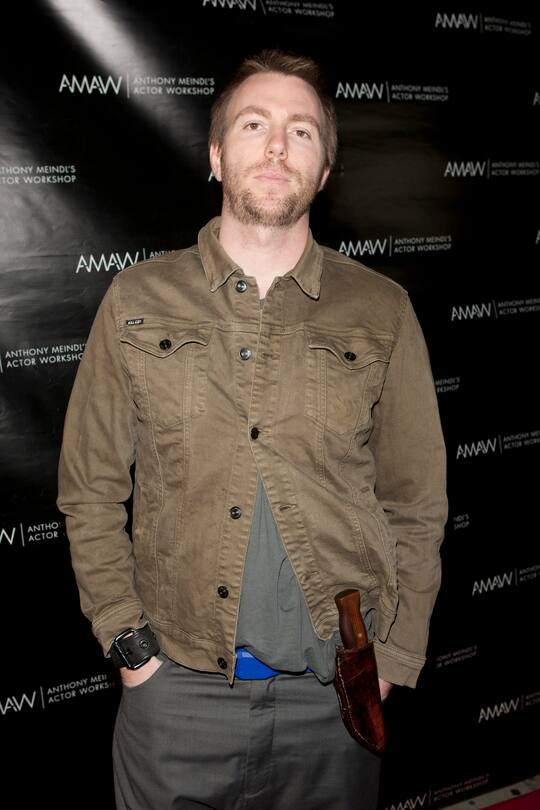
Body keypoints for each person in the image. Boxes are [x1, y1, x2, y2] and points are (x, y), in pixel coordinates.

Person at [57, 49, 447, 810]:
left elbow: (417, 500)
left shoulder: (382, 310)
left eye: (302, 132)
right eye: (254, 123)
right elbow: (90, 487)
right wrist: (131, 649)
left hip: (334, 702)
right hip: (176, 702)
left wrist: (398, 653)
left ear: (325, 169)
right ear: (214, 154)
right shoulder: (137, 298)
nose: (276, 146)